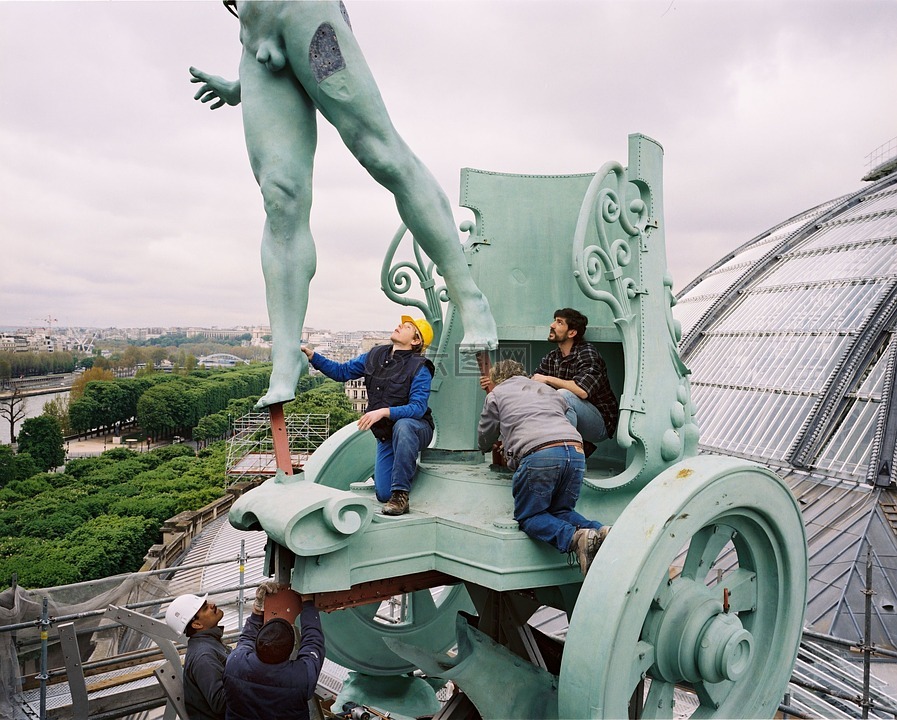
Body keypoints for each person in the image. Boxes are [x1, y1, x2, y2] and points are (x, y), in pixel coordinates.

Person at [189, 1, 497, 409]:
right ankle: (286, 357)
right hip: (255, 45)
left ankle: (468, 296)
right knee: (280, 198)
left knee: (382, 154)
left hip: (303, 12)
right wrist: (238, 86)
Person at [477, 360, 610, 575]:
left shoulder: (496, 394)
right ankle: (599, 532)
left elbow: (486, 436)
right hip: (575, 452)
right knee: (561, 510)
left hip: (540, 454)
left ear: (495, 380)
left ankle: (574, 539)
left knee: (530, 516)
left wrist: (494, 444)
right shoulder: (548, 390)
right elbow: (566, 417)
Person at [302, 316, 435, 515]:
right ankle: (404, 466)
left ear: (415, 341)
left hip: (417, 429)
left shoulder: (420, 367)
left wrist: (383, 411)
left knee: (404, 425)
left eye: (407, 327)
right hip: (386, 434)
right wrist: (313, 356)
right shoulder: (374, 356)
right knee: (382, 493)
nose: (399, 326)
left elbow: (417, 408)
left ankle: (401, 496)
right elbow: (342, 372)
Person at [223, 580, 325, 720]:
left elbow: (246, 639)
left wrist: (257, 611)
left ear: (258, 644)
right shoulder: (301, 678)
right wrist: (307, 603)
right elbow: (313, 642)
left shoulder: (235, 664)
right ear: (289, 652)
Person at [531, 308, 619, 450]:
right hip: (574, 416)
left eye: (559, 322)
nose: (552, 325)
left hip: (600, 423)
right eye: (554, 320)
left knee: (564, 395)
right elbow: (534, 383)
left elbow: (582, 390)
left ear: (572, 333)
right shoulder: (552, 357)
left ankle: (566, 456)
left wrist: (547, 379)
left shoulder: (587, 353)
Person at [165, 594, 229, 720]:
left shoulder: (209, 642)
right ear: (197, 625)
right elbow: (221, 703)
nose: (212, 605)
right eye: (205, 608)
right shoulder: (204, 655)